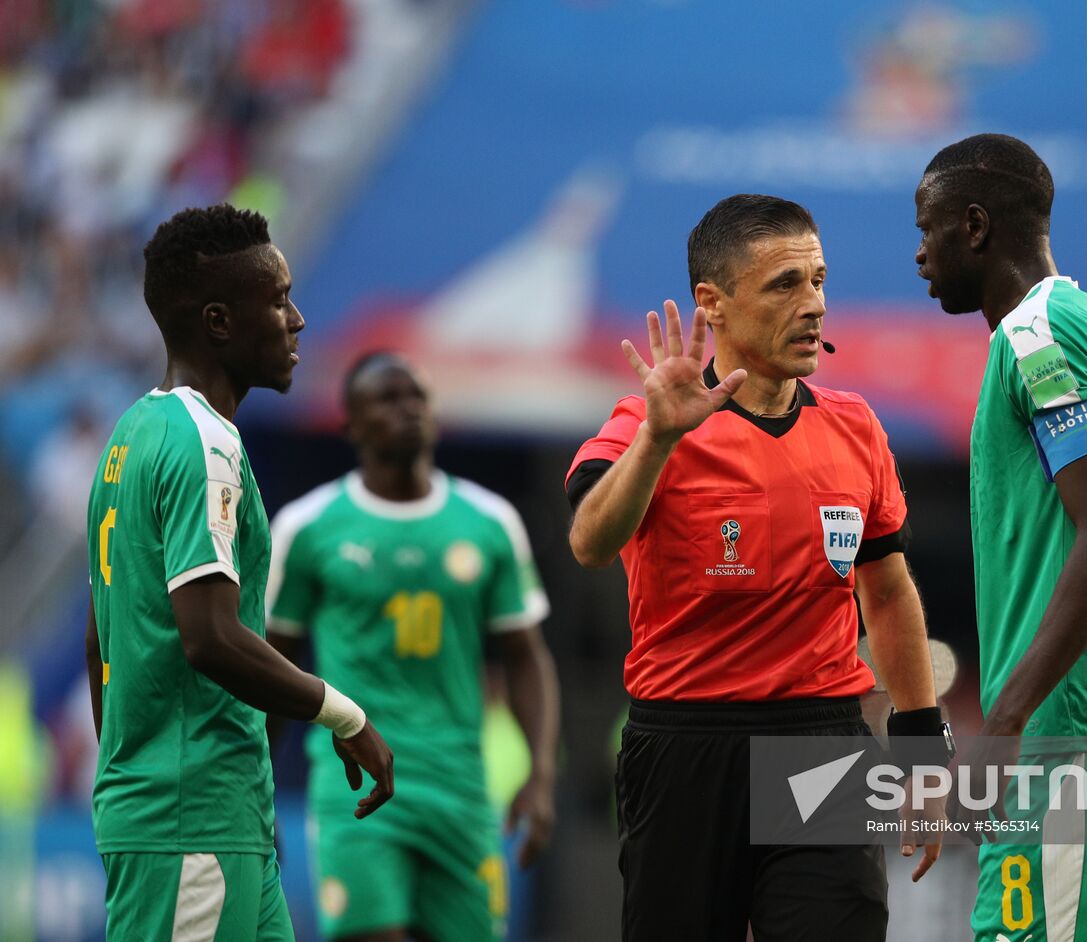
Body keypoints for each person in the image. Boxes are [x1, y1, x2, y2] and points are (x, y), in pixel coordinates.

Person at [567, 193, 949, 942]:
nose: (813, 306)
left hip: (821, 741)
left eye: (819, 281)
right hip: (684, 747)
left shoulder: (855, 426)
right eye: (785, 285)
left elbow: (889, 591)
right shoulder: (648, 425)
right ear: (713, 303)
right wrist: (657, 441)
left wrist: (920, 744)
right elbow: (589, 541)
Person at [85, 204, 394, 941]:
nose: (299, 319)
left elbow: (105, 639)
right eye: (279, 299)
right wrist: (343, 715)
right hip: (189, 819)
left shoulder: (131, 435)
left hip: (218, 811)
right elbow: (210, 637)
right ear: (220, 322)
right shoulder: (202, 444)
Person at [913, 134, 1087, 941]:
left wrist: (1006, 725)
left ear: (973, 226)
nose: (918, 254)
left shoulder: (1037, 338)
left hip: (1069, 759)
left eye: (926, 228)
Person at [266, 352, 560, 942]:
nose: (406, 409)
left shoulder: (489, 521)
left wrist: (541, 774)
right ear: (350, 423)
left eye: (416, 397)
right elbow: (272, 668)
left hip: (461, 790)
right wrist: (258, 787)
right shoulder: (308, 527)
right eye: (387, 398)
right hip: (355, 794)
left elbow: (527, 657)